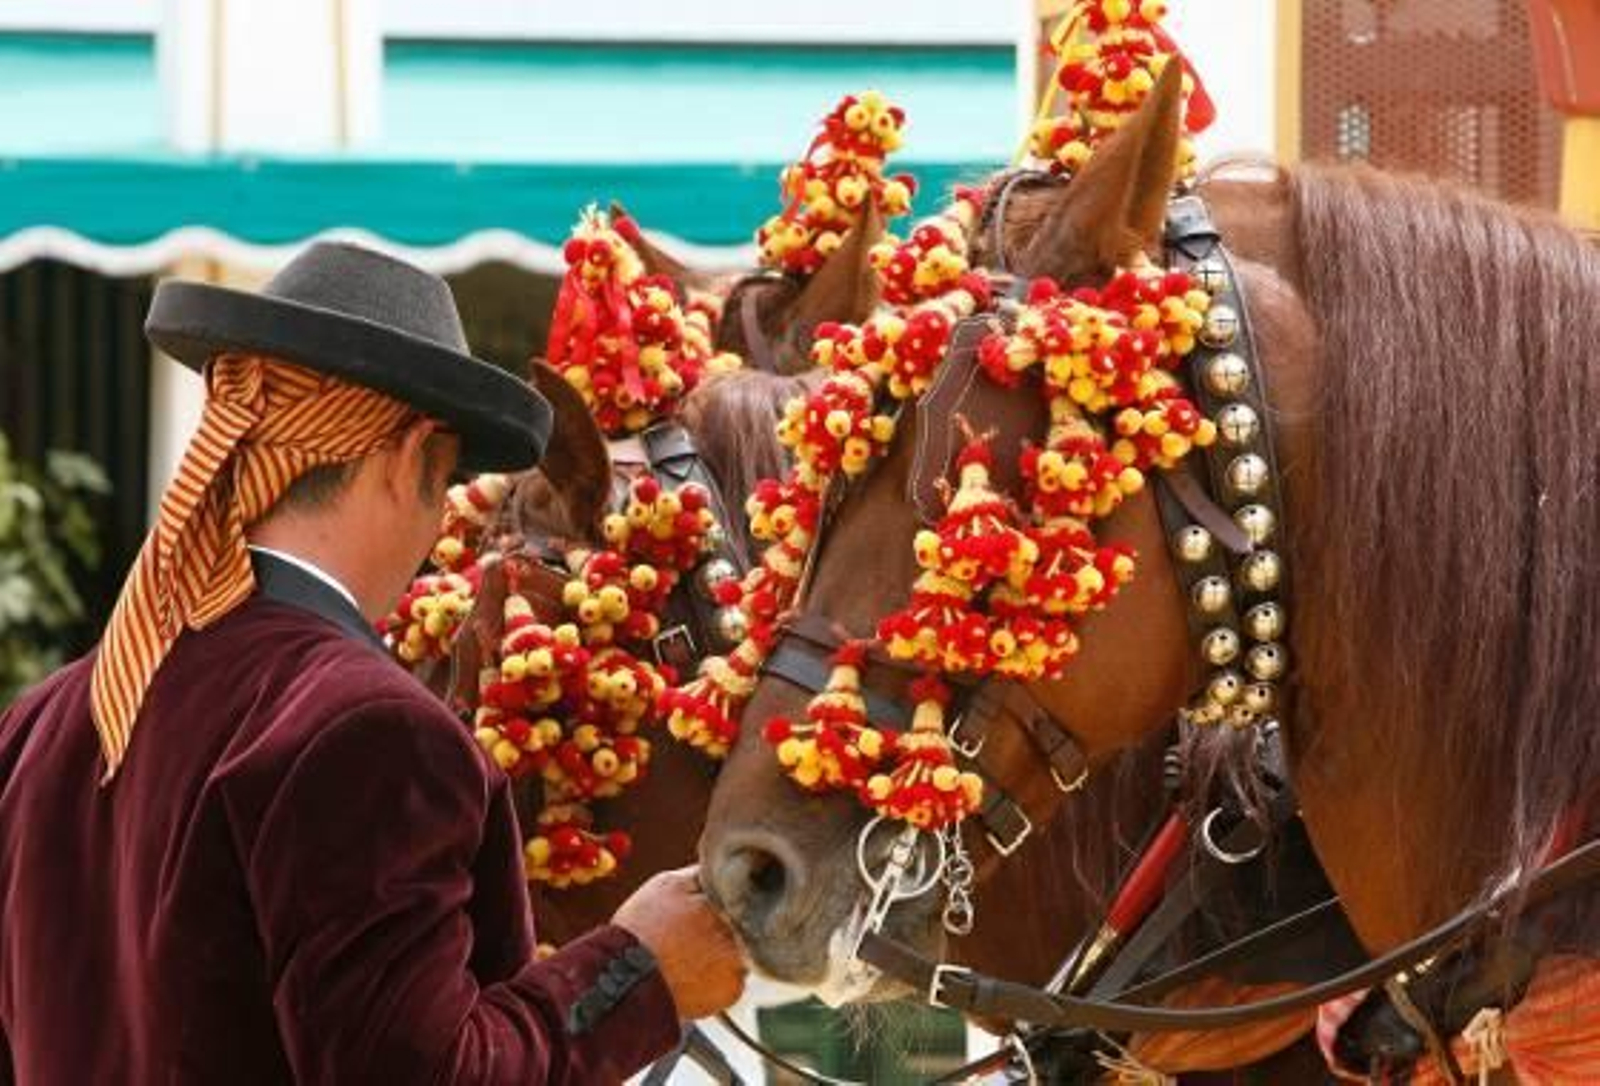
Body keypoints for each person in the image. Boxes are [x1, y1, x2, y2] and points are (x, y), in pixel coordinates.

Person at [0, 242, 746, 1085]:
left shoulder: (50, 718)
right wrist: (640, 973)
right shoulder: (366, 726)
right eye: (450, 475)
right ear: (409, 458)